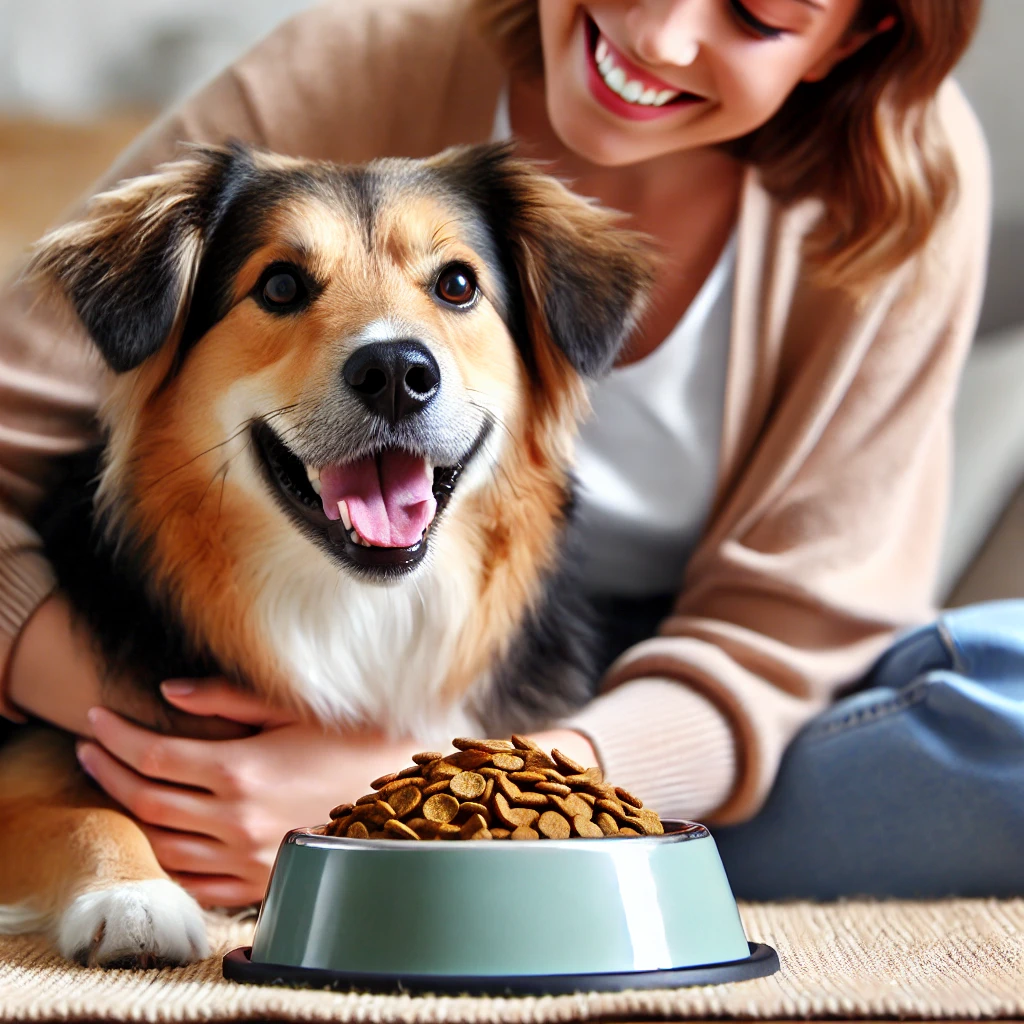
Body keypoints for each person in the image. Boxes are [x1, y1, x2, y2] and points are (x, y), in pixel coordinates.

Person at [0, 0, 994, 907]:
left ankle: (539, 856)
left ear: (851, 38)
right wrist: (160, 739)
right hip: (265, 660)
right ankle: (596, 873)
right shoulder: (366, 51)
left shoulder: (906, 179)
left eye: (757, 15)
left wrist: (446, 795)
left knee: (1007, 693)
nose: (661, 38)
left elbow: (786, 643)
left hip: (673, 722)